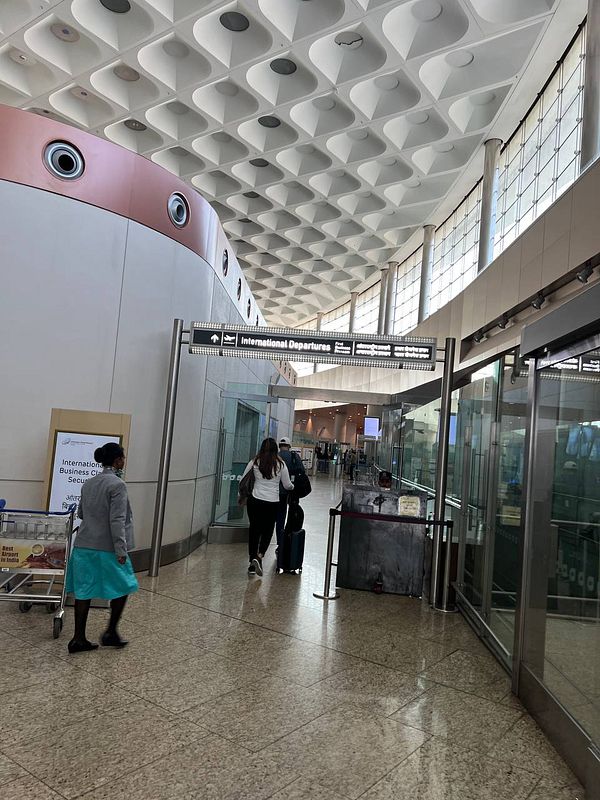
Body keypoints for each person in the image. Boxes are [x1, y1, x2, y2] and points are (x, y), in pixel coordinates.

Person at [65, 442, 138, 654]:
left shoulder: (88, 483)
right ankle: (110, 632)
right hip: (107, 547)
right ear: (117, 461)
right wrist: (121, 550)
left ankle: (78, 638)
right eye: (122, 457)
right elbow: (117, 520)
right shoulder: (117, 485)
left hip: (83, 545)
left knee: (84, 590)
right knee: (123, 586)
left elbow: (81, 514)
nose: (124, 461)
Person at [241, 437, 293, 576]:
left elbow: (242, 478)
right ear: (276, 449)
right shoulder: (280, 464)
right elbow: (287, 484)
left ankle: (252, 562)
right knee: (268, 530)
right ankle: (260, 555)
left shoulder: (255, 461)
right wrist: (293, 486)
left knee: (254, 530)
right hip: (272, 502)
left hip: (255, 501)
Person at [276, 437, 305, 551]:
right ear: (289, 446)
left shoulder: (276, 457)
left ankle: (279, 542)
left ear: (279, 446)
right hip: (292, 491)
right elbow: (302, 471)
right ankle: (289, 538)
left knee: (280, 518)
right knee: (291, 515)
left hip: (278, 492)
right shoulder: (294, 456)